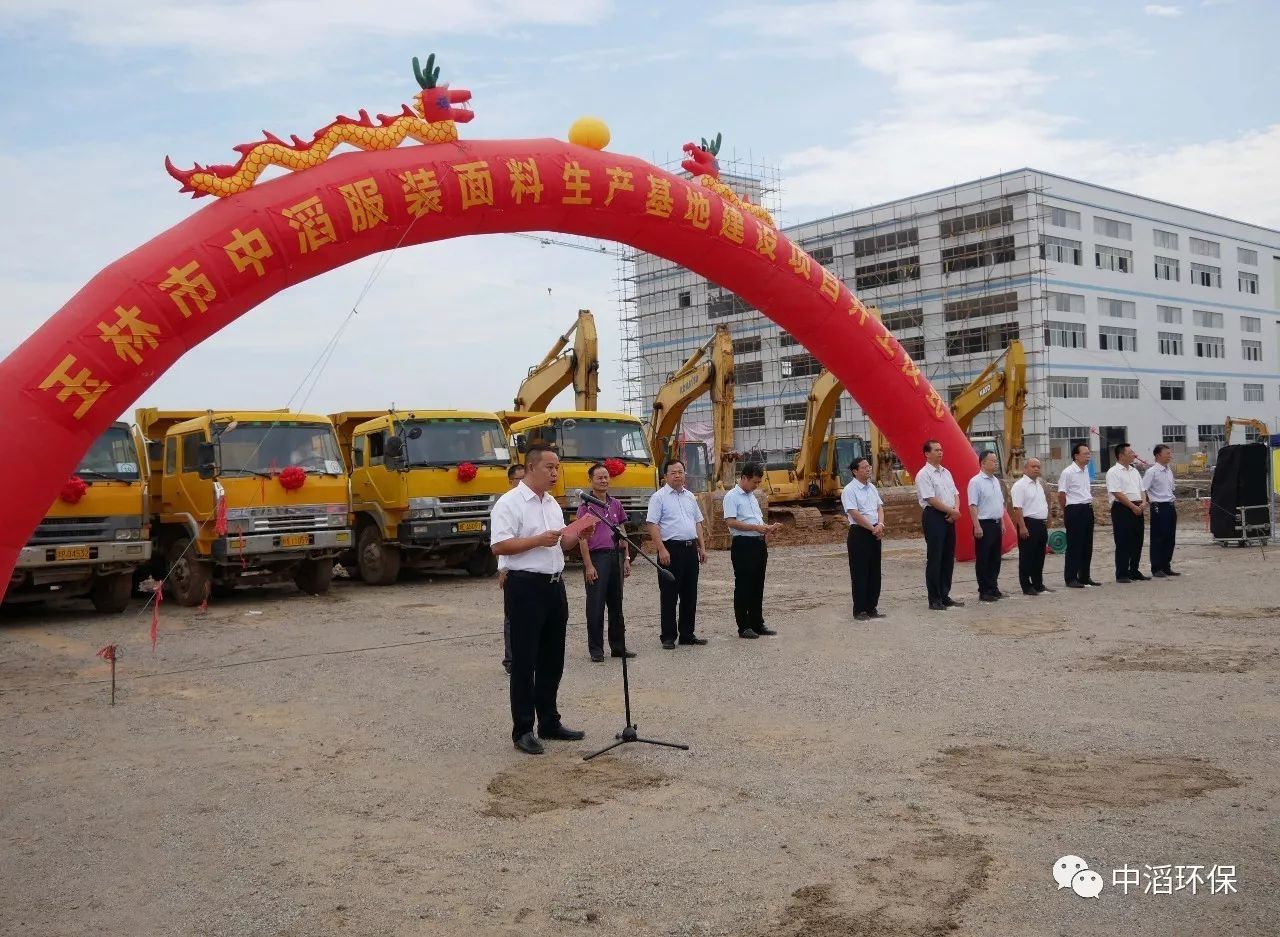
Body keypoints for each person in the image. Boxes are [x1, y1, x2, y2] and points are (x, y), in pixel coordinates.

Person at [491, 445, 597, 755]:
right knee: (525, 661)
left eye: (557, 467)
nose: (555, 473)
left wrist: (578, 535)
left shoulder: (551, 503)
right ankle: (523, 729)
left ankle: (549, 721)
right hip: (525, 587)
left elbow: (561, 544)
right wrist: (538, 540)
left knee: (553, 659)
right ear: (531, 468)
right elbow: (499, 546)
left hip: (554, 586)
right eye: (549, 467)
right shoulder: (509, 503)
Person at [645, 459, 707, 649]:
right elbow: (652, 524)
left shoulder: (690, 496)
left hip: (690, 550)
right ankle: (668, 636)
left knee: (690, 594)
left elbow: (697, 522)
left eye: (680, 471)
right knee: (669, 594)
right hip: (670, 550)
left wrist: (701, 547)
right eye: (673, 472)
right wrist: (661, 549)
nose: (678, 475)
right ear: (665, 476)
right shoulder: (659, 497)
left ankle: (687, 634)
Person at [578, 462, 634, 662]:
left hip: (615, 557)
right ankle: (596, 650)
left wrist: (626, 558)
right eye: (599, 477)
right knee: (596, 604)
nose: (604, 480)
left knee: (616, 604)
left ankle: (618, 646)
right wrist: (588, 565)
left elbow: (622, 532)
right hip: (597, 558)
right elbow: (582, 538)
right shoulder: (587, 507)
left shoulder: (615, 504)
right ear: (591, 481)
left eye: (606, 477)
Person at [722, 462, 781, 639]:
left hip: (758, 544)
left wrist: (768, 528)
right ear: (745, 478)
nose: (757, 485)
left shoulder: (752, 496)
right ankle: (744, 625)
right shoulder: (732, 496)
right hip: (743, 545)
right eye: (754, 482)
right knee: (744, 586)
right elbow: (731, 522)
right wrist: (756, 527)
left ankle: (757, 622)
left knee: (757, 585)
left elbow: (756, 521)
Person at [917, 439, 964, 611]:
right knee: (935, 558)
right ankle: (934, 598)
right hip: (934, 516)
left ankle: (945, 594)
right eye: (936, 450)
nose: (940, 452)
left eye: (941, 449)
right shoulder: (924, 474)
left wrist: (955, 510)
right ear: (927, 453)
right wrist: (951, 511)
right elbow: (931, 499)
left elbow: (955, 493)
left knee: (947, 557)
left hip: (950, 515)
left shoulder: (946, 473)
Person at [842, 456, 885, 620]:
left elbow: (879, 507)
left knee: (875, 571)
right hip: (860, 533)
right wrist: (872, 528)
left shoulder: (872, 487)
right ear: (855, 471)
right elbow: (854, 513)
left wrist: (880, 524)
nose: (868, 469)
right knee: (860, 572)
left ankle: (872, 607)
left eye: (869, 466)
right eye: (864, 467)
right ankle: (859, 609)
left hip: (875, 532)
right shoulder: (849, 490)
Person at [1057, 443, 1101, 589]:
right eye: (1085, 453)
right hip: (1074, 509)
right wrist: (1067, 510)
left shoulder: (1086, 470)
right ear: (1076, 456)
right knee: (1075, 545)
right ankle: (1071, 578)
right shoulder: (1068, 472)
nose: (1088, 456)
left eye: (1089, 453)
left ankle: (1084, 576)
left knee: (1087, 545)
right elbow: (1061, 494)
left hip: (1087, 508)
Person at [1106, 442, 1147, 583]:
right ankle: (1122, 573)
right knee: (1123, 541)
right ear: (1121, 455)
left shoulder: (1134, 471)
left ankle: (1134, 570)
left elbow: (1142, 489)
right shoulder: (1113, 472)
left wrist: (1143, 502)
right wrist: (1132, 507)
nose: (1133, 454)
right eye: (1130, 452)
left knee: (1137, 540)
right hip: (1122, 508)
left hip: (1138, 507)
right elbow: (1117, 493)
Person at [968, 449, 1006, 602]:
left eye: (996, 461)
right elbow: (972, 505)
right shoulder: (975, 482)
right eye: (993, 461)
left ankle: (993, 587)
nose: (996, 463)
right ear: (983, 463)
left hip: (996, 523)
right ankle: (984, 590)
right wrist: (977, 526)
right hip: (984, 524)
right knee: (984, 559)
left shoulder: (996, 481)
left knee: (995, 558)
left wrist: (1002, 522)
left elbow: (999, 504)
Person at [1010, 458, 1051, 596]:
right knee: (1027, 556)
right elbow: (1017, 508)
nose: (1036, 469)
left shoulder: (1039, 484)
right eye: (1033, 466)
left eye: (1038, 466)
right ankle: (1026, 585)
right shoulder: (1020, 485)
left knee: (1039, 556)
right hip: (1028, 523)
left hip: (1041, 523)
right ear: (1025, 468)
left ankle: (1038, 583)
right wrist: (1022, 526)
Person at [499, 463, 525, 675]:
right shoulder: (506, 504)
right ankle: (511, 659)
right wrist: (503, 568)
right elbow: (501, 543)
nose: (522, 482)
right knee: (512, 618)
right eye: (519, 479)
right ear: (510, 481)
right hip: (512, 568)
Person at [1144, 444, 1180, 578]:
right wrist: (1151, 502)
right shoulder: (1152, 472)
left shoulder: (1169, 470)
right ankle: (1156, 567)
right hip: (1159, 507)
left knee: (1170, 537)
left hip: (1170, 505)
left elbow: (1172, 489)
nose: (1170, 456)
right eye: (1167, 453)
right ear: (1158, 455)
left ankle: (1166, 566)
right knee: (1159, 538)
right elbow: (1144, 489)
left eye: (1170, 453)